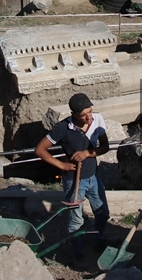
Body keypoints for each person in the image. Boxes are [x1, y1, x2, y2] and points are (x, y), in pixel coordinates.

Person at [35, 93, 111, 259]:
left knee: (103, 212)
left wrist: (88, 153)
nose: (88, 117)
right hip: (74, 180)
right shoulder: (62, 129)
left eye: (90, 111)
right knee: (76, 220)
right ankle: (77, 252)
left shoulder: (97, 120)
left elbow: (105, 146)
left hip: (93, 177)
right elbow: (40, 150)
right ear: (74, 114)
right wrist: (62, 165)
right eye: (84, 114)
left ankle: (99, 240)